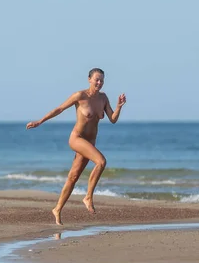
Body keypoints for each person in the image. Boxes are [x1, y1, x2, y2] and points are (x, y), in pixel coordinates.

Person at [26, 68, 126, 225]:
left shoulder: (103, 98)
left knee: (73, 177)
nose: (99, 83)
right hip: (77, 138)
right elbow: (59, 109)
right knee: (101, 162)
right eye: (96, 80)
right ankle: (88, 197)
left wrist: (119, 106)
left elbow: (113, 119)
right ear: (89, 79)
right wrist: (40, 121)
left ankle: (57, 209)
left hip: (89, 142)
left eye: (102, 80)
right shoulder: (80, 96)